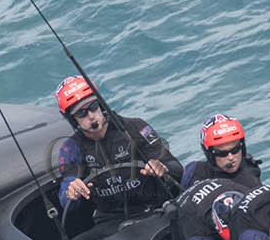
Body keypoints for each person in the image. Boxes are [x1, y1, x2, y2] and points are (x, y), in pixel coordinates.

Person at [54, 76, 182, 218]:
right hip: (111, 219)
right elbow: (66, 202)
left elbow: (177, 169)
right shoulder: (70, 148)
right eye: (81, 113)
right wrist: (71, 192)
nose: (91, 116)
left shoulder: (135, 127)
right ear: (73, 119)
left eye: (93, 106)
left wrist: (163, 168)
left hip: (154, 208)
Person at [179, 115, 263, 192]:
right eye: (222, 153)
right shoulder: (193, 171)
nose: (231, 157)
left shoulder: (250, 181)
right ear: (210, 154)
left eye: (235, 150)